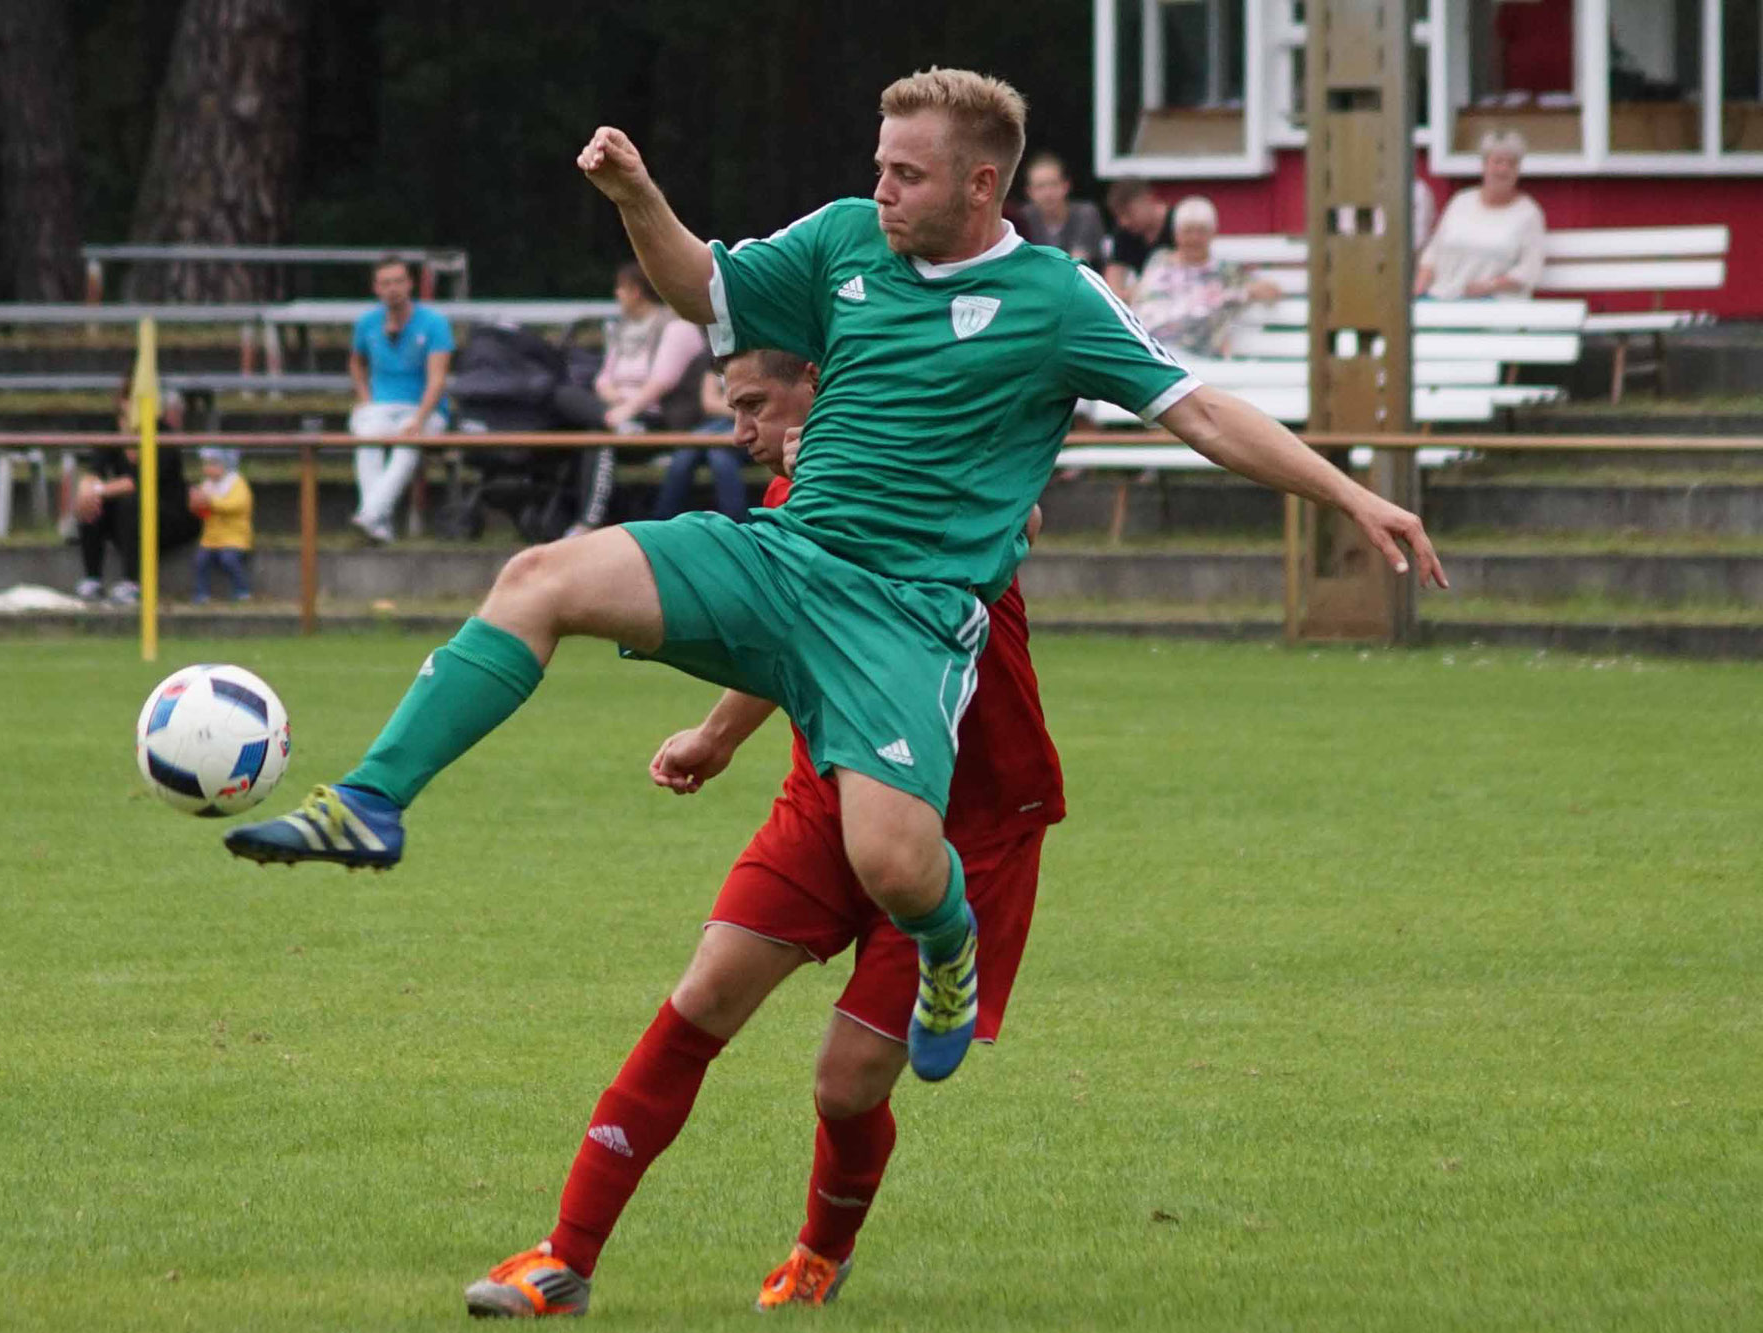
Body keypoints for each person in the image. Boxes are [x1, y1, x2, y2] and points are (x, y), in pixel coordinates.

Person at [225, 68, 1444, 1097]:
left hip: (908, 620)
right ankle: (371, 802)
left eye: (905, 174)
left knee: (898, 866)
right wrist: (636, 197)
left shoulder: (1057, 299)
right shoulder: (843, 240)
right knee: (539, 574)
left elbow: (1205, 411)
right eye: (877, 164)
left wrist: (1347, 491)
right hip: (784, 559)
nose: (880, 187)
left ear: (981, 185)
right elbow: (705, 290)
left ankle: (944, 947)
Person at [460, 347, 1062, 1318]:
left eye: (752, 405)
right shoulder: (794, 499)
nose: (736, 430)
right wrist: (714, 736)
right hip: (829, 800)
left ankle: (821, 1253)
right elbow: (786, 634)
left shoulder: (930, 466)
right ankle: (561, 1257)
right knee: (701, 997)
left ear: (822, 390)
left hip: (970, 832)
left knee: (845, 1084)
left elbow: (1022, 514)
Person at [553, 263, 708, 534]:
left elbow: (661, 381)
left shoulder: (676, 328)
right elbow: (602, 379)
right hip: (617, 414)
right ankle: (612, 426)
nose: (616, 295)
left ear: (636, 292)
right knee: (563, 394)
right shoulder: (621, 329)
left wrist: (626, 409)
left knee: (597, 438)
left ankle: (587, 524)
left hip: (655, 417)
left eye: (620, 289)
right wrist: (615, 408)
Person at [348, 257, 455, 543]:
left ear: (410, 284)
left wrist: (419, 419)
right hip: (381, 406)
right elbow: (356, 362)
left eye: (398, 281)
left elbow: (437, 379)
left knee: (408, 443)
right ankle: (378, 523)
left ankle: (370, 514)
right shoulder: (367, 323)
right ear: (376, 288)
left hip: (425, 409)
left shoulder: (434, 323)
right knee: (366, 437)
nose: (393, 289)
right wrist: (365, 398)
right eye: (386, 283)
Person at [74, 383, 200, 605]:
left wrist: (98, 489)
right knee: (91, 503)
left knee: (130, 503)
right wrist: (87, 487)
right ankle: (92, 579)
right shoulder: (112, 431)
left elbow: (138, 482)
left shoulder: (163, 435)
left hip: (169, 517)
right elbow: (94, 470)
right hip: (127, 522)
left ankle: (132, 582)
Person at [1129, 196, 1283, 358]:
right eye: (1187, 231)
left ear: (1212, 234)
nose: (1194, 238)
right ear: (1176, 234)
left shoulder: (1224, 271)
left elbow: (1269, 290)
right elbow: (1143, 301)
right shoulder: (1159, 261)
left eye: (1201, 231)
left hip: (1196, 356)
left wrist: (1241, 293)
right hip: (1152, 351)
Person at [1414, 130, 1546, 300]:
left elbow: (1530, 270)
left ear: (1518, 170)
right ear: (1484, 165)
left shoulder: (1528, 213)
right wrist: (1418, 289)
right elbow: (1433, 253)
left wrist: (1489, 286)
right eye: (1497, 161)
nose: (1503, 169)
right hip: (1444, 296)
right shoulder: (1460, 202)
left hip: (1495, 301)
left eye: (1511, 164)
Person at [650, 349, 748, 520]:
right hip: (718, 425)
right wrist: (741, 405)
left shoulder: (757, 355)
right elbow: (709, 403)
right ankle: (663, 522)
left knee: (715, 454)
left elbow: (753, 404)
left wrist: (738, 406)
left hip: (748, 425)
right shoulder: (717, 355)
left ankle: (735, 524)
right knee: (685, 455)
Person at [1016, 151, 1104, 263]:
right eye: (1040, 187)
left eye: (1054, 184)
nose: (1048, 193)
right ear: (1029, 192)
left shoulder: (1086, 214)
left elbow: (1076, 263)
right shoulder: (1023, 218)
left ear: (1066, 186)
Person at [189, 448, 252, 603]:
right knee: (200, 560)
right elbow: (205, 514)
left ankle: (242, 590)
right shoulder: (207, 485)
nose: (207, 468)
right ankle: (201, 593)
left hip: (235, 537)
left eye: (213, 464)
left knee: (228, 559)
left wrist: (210, 502)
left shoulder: (237, 484)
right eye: (206, 464)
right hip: (211, 539)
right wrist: (196, 505)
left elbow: (235, 506)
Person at [1102, 177, 1176, 297]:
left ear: (1149, 200)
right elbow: (1113, 276)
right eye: (1119, 216)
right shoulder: (1124, 233)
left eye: (1129, 213)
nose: (1124, 222)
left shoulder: (1178, 224)